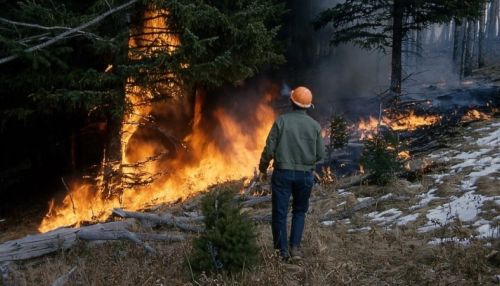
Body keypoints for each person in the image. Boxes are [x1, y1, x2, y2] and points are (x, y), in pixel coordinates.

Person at [258, 86, 325, 260]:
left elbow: (269, 149)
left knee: (279, 213)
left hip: (283, 174)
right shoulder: (315, 126)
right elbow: (320, 155)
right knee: (299, 212)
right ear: (309, 106)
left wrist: (263, 168)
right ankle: (295, 248)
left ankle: (282, 252)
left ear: (291, 102)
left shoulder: (281, 121)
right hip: (305, 176)